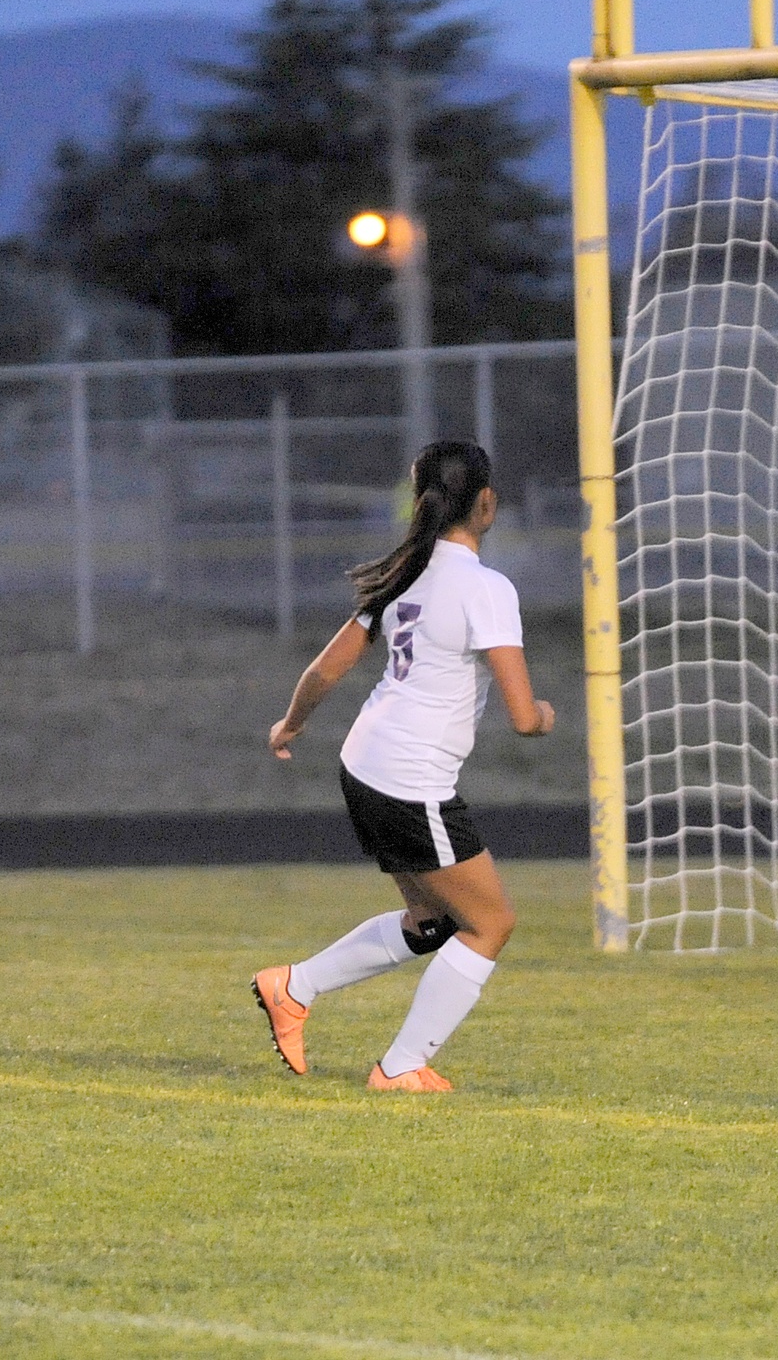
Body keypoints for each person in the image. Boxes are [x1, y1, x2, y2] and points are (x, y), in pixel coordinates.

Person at [250, 439, 554, 1091]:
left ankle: (292, 987)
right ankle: (402, 1066)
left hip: (363, 766)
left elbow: (326, 666)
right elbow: (525, 718)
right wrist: (546, 716)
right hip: (409, 782)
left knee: (432, 922)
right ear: (487, 503)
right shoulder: (485, 587)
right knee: (491, 922)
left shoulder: (404, 573)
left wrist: (292, 723)